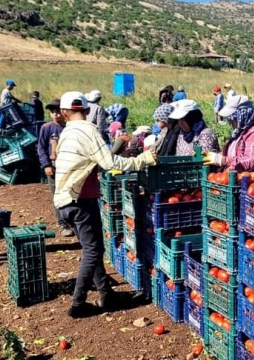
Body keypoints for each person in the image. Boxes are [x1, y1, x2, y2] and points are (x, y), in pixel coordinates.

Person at [53, 91, 157, 318]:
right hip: (80, 200)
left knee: (93, 248)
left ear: (63, 112)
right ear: (88, 110)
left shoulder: (66, 133)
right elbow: (109, 162)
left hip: (64, 201)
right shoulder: (88, 129)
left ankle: (106, 294)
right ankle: (78, 304)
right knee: (93, 250)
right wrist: (141, 160)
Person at [37, 99, 74, 238]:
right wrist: (46, 164)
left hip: (69, 167)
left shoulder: (70, 127)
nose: (55, 114)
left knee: (71, 193)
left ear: (64, 112)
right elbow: (41, 147)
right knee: (56, 196)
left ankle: (72, 220)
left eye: (58, 111)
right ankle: (62, 224)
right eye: (52, 112)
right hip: (54, 167)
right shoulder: (47, 128)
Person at [203, 95, 254, 172]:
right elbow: (231, 154)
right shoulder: (239, 131)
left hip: (251, 180)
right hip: (234, 177)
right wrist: (215, 156)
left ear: (241, 116)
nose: (229, 122)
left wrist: (223, 160)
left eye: (232, 118)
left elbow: (250, 161)